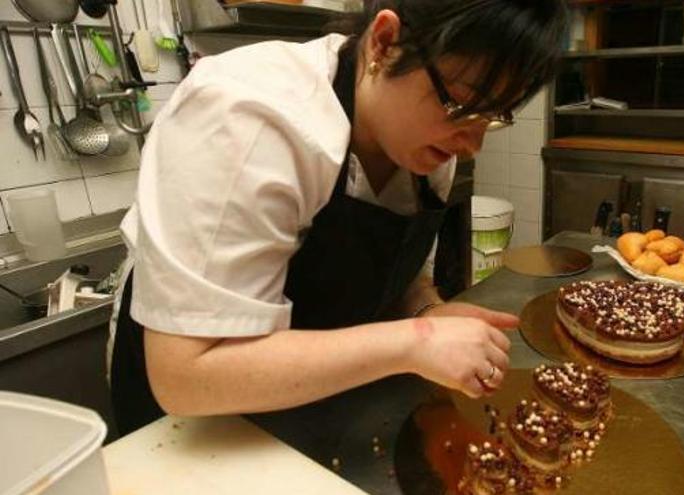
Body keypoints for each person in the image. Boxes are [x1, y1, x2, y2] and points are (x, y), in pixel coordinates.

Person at [109, 0, 569, 436]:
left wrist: (430, 310)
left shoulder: (426, 145)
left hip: (308, 403)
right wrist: (417, 341)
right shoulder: (249, 118)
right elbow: (185, 375)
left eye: (491, 117)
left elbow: (392, 274)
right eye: (461, 107)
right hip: (191, 426)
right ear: (385, 43)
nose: (472, 145)